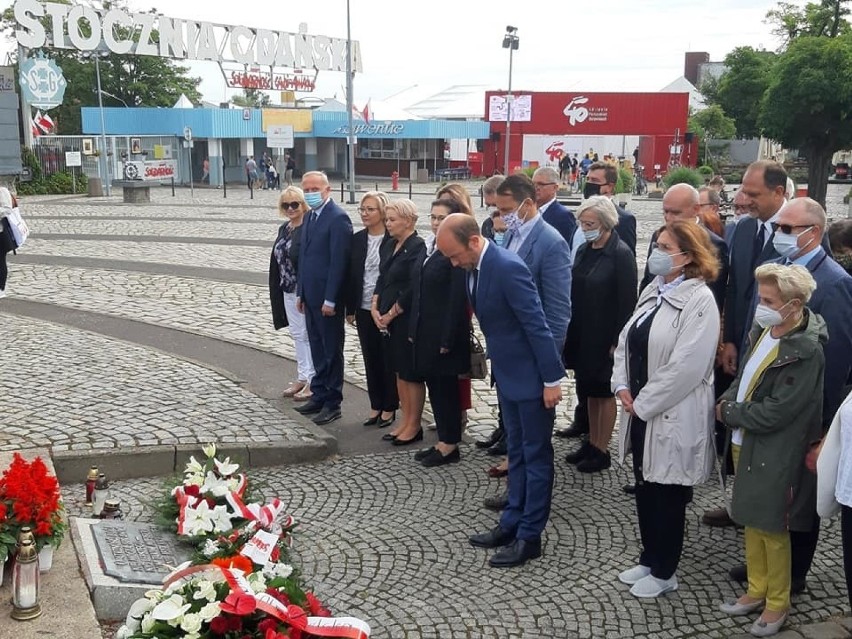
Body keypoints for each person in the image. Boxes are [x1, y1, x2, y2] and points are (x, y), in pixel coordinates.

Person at [437, 214, 565, 568]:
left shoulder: (507, 267)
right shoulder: (473, 269)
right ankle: (511, 523)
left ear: (474, 241)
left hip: (533, 380)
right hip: (508, 377)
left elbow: (536, 323)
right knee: (518, 455)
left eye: (454, 255)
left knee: (536, 458)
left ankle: (530, 536)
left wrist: (551, 380)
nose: (453, 263)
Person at [612, 221, 720, 598]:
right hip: (640, 408)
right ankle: (648, 555)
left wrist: (643, 403)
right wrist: (622, 385)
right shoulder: (654, 290)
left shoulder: (700, 300)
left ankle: (665, 569)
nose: (656, 251)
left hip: (671, 412)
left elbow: (687, 366)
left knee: (668, 492)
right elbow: (627, 340)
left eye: (665, 246)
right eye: (656, 244)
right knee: (644, 486)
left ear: (688, 256)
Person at [717, 264, 825, 637]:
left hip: (775, 448)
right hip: (745, 442)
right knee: (750, 518)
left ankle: (777, 603)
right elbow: (744, 376)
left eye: (768, 300)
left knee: (773, 526)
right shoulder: (765, 329)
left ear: (793, 305)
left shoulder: (805, 350)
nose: (760, 307)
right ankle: (756, 589)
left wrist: (730, 412)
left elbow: (780, 410)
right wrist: (729, 401)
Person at [563, 196, 637, 472]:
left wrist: (618, 341)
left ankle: (602, 449)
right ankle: (591, 442)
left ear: (605, 223)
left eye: (590, 223)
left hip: (605, 335)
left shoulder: (620, 254)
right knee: (588, 390)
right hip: (582, 332)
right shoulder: (585, 249)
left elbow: (628, 301)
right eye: (582, 223)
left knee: (604, 391)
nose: (585, 228)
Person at [409, 198, 471, 467]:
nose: (435, 223)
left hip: (445, 334)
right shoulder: (433, 247)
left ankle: (450, 444)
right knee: (435, 387)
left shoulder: (453, 252)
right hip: (426, 330)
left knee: (446, 390)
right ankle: (443, 440)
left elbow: (458, 298)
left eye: (441, 218)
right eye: (433, 217)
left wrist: (448, 337)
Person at [293, 171, 353, 426]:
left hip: (328, 300)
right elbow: (305, 258)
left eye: (314, 189)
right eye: (305, 190)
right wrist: (301, 292)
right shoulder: (309, 217)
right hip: (310, 295)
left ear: (327, 190)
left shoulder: (338, 218)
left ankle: (332, 401)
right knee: (316, 346)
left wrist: (331, 299)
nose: (310, 194)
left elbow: (339, 263)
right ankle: (318, 393)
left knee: (331, 350)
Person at [372, 199, 426, 446]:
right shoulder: (390, 243)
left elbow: (414, 285)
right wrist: (374, 306)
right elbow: (382, 277)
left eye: (392, 220)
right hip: (385, 316)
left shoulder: (418, 246)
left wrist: (392, 313)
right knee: (397, 371)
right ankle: (404, 421)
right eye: (387, 220)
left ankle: (414, 425)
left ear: (409, 220)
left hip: (405, 317)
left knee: (410, 372)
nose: (388, 224)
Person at [346, 192, 397, 429]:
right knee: (370, 358)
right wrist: (351, 308)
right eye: (362, 209)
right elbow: (352, 275)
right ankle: (375, 404)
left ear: (382, 212)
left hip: (386, 309)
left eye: (370, 209)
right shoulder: (357, 239)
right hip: (363, 306)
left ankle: (389, 406)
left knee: (388, 358)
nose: (365, 214)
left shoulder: (392, 239)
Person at [269, 187, 315, 401]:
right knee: (297, 334)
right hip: (287, 288)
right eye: (286, 205)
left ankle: (313, 380)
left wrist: (304, 292)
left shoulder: (308, 227)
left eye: (295, 204)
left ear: (303, 204)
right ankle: (302, 376)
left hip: (303, 290)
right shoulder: (285, 228)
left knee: (308, 335)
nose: (290, 208)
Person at [579, 161, 637, 255]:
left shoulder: (623, 219)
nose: (589, 184)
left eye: (594, 180)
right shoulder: (581, 214)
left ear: (610, 187)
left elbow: (627, 256)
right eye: (588, 179)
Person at [533, 166, 577, 248]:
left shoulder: (563, 216)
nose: (536, 188)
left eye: (541, 184)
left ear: (555, 188)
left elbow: (565, 248)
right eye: (533, 184)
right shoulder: (528, 212)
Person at [0, 187, 19, 299]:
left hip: (1, 232)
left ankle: (1, 288)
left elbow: (7, 209)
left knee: (0, 260)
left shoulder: (2, 191)